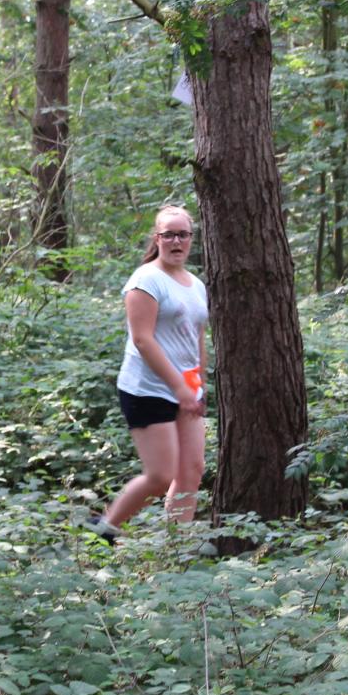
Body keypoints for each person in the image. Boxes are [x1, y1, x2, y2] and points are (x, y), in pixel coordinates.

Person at [88, 206, 208, 541]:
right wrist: (178, 387)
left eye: (182, 234)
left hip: (187, 389)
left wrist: (198, 385)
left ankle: (176, 547)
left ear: (191, 239)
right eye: (168, 235)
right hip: (147, 389)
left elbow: (197, 336)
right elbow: (142, 339)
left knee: (191, 471)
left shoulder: (196, 285)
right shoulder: (146, 280)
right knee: (160, 476)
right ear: (157, 239)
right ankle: (105, 529)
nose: (176, 241)